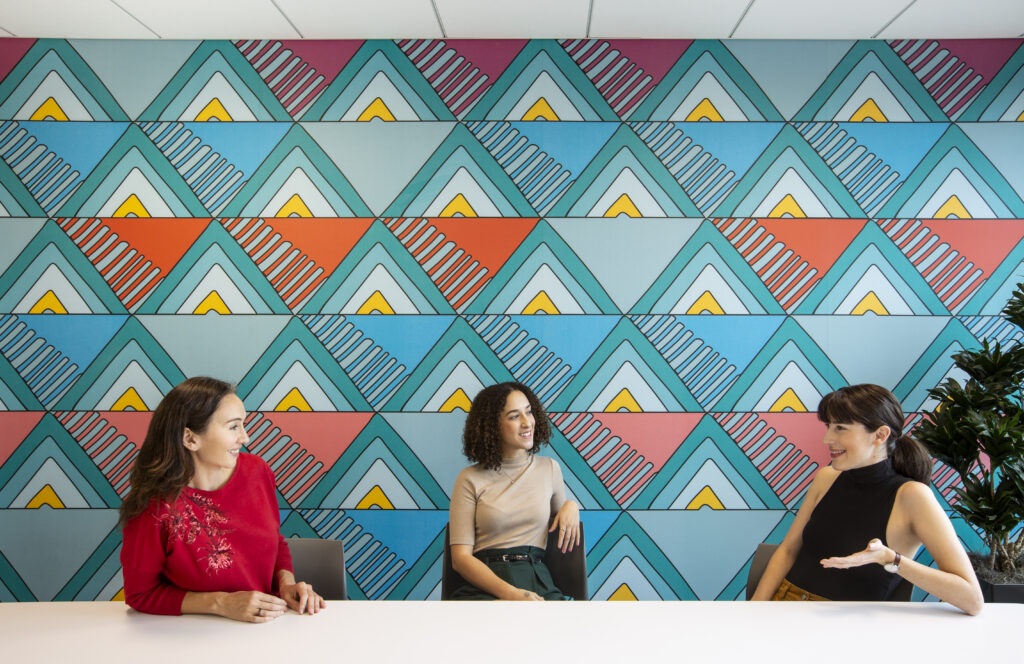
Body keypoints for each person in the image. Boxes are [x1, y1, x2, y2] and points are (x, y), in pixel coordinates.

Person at [751, 384, 983, 614]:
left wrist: (890, 559)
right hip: (784, 605)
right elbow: (788, 551)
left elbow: (972, 600)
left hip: (848, 623)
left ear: (880, 435)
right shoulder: (826, 477)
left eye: (840, 428)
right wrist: (754, 610)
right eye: (829, 426)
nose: (827, 439)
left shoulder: (913, 496)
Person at [119, 377, 325, 621]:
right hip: (193, 633)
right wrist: (220, 603)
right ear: (190, 439)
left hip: (267, 625)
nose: (245, 438)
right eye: (233, 427)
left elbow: (275, 541)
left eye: (243, 425)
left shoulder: (258, 472)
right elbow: (140, 594)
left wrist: (286, 584)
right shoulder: (154, 507)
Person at [448, 382, 580, 600]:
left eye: (529, 412)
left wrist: (571, 505)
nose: (527, 422)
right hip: (486, 584)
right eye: (514, 416)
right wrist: (511, 594)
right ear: (492, 425)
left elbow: (559, 524)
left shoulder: (550, 468)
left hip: (537, 577)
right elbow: (460, 558)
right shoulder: (469, 478)